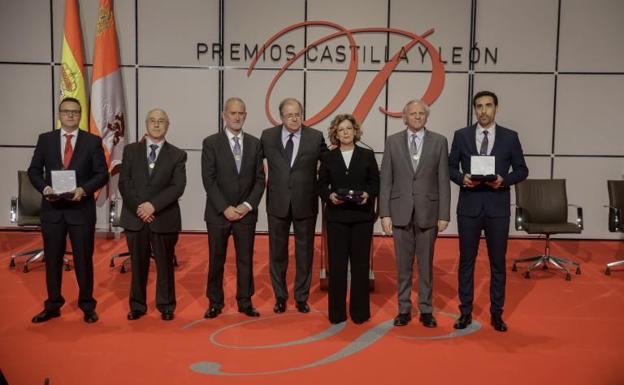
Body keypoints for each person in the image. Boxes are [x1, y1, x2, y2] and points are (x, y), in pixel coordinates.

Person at [449, 90, 528, 332]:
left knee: (497, 264)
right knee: (466, 262)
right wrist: (463, 178)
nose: (483, 110)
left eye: (488, 106)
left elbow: (522, 170)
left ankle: (496, 313)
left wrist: (504, 181)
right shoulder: (461, 135)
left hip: (497, 208)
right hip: (469, 206)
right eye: (479, 106)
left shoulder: (510, 137)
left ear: (496, 108)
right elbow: (450, 167)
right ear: (474, 109)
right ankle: (465, 312)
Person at [28, 97, 109, 323]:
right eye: (66, 111)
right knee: (52, 259)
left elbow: (102, 173)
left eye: (75, 112)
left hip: (80, 210)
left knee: (84, 259)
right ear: (59, 114)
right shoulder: (45, 140)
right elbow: (34, 170)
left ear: (80, 115)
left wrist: (84, 189)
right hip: (52, 210)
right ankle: (53, 305)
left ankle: (87, 305)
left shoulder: (92, 141)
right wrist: (44, 188)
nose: (70, 115)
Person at [379, 99, 450, 328]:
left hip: (428, 213)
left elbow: (443, 181)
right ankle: (404, 309)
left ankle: (426, 310)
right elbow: (386, 181)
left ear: (426, 117)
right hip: (399, 212)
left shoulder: (439, 141)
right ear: (405, 117)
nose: (417, 117)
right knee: (403, 266)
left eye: (421, 113)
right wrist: (385, 214)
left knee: (426, 265)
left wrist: (444, 214)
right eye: (413, 113)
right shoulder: (392, 142)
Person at [118, 108, 187, 321]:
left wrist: (153, 206)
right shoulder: (131, 151)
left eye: (161, 121)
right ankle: (137, 305)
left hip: (163, 218)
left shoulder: (177, 154)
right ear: (146, 124)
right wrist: (141, 207)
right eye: (153, 121)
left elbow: (178, 187)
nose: (156, 125)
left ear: (168, 125)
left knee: (165, 265)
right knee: (138, 265)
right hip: (135, 217)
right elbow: (124, 183)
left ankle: (166, 305)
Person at [261, 98, 327, 313]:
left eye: (298, 114)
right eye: (289, 115)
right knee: (277, 253)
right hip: (277, 203)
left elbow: (329, 165)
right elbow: (251, 164)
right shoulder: (268, 136)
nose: (294, 118)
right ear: (281, 117)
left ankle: (301, 297)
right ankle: (280, 297)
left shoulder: (315, 137)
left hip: (305, 203)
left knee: (304, 253)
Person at [202, 97, 265, 319]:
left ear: (245, 116)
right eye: (233, 113)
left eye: (241, 113)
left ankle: (245, 301)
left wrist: (246, 206)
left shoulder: (256, 144)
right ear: (224, 115)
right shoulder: (210, 143)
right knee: (216, 259)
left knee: (245, 260)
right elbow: (208, 180)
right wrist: (225, 208)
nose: (237, 117)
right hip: (218, 214)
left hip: (245, 214)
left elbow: (260, 180)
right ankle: (214, 302)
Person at [318, 114, 379, 324]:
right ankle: (337, 313)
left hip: (362, 217)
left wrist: (368, 195)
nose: (345, 132)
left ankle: (360, 313)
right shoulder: (327, 157)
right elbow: (321, 184)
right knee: (337, 266)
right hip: (336, 218)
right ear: (335, 133)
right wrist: (329, 196)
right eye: (341, 129)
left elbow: (374, 182)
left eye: (348, 128)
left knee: (361, 266)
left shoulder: (367, 155)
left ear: (355, 131)